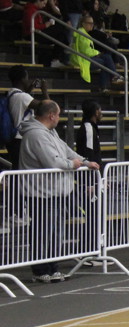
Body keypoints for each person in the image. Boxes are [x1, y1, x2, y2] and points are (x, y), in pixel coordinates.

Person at [18, 100, 100, 283]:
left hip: (56, 192)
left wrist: (85, 162)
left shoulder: (50, 133)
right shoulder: (36, 135)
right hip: (41, 193)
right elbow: (53, 161)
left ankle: (53, 268)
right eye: (58, 114)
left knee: (56, 233)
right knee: (43, 232)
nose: (59, 118)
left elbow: (67, 151)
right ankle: (41, 270)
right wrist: (73, 164)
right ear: (51, 115)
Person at [5, 66, 49, 170]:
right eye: (27, 77)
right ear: (22, 79)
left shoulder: (11, 93)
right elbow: (49, 107)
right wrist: (44, 90)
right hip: (20, 138)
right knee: (22, 170)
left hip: (13, 138)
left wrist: (29, 89)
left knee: (17, 168)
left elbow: (21, 105)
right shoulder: (22, 97)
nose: (28, 80)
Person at [71, 15, 119, 91]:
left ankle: (113, 78)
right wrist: (97, 53)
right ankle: (108, 82)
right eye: (89, 23)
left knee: (106, 57)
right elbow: (85, 50)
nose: (92, 25)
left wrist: (98, 53)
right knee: (105, 62)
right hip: (82, 59)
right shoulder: (82, 34)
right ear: (83, 24)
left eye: (92, 23)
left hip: (84, 57)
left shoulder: (83, 32)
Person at [74, 99, 104, 169]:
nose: (101, 113)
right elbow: (88, 153)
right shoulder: (88, 129)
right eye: (100, 110)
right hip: (89, 172)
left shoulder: (90, 127)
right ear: (96, 112)